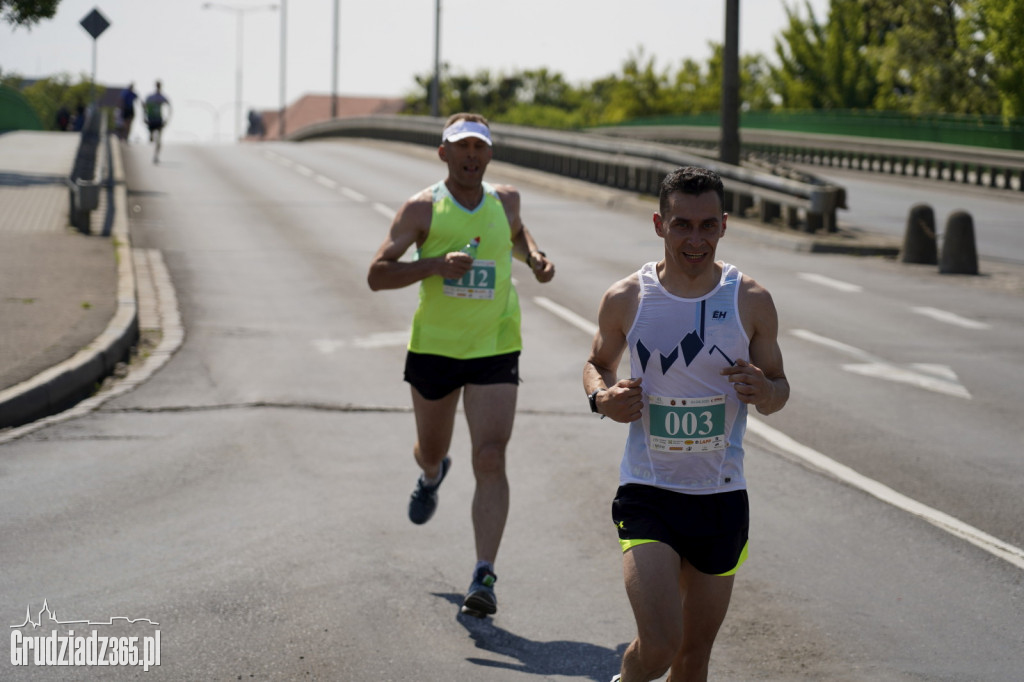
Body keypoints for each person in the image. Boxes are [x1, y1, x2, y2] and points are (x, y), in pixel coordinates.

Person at [582, 166, 789, 682]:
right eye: (681, 225)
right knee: (659, 647)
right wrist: (601, 398)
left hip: (720, 496)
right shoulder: (628, 297)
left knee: (693, 659)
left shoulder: (751, 300)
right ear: (659, 224)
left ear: (723, 225)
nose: (694, 240)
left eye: (705, 226)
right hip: (648, 490)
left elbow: (779, 389)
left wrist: (766, 391)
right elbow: (598, 363)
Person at [367, 113, 555, 618]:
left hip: (495, 344)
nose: (471, 155)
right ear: (443, 153)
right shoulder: (422, 209)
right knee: (433, 449)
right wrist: (434, 264)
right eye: (461, 147)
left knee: (491, 456)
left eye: (480, 147)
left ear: (489, 155)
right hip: (436, 349)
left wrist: (534, 256)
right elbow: (377, 275)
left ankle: (484, 573)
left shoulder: (506, 200)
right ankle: (431, 475)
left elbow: (517, 232)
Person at [143, 80, 171, 163]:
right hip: (151, 119)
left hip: (159, 120)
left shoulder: (162, 97)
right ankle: (151, 135)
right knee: (153, 138)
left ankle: (156, 156)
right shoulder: (150, 97)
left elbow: (169, 107)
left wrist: (167, 119)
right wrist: (144, 117)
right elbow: (144, 107)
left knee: (159, 140)